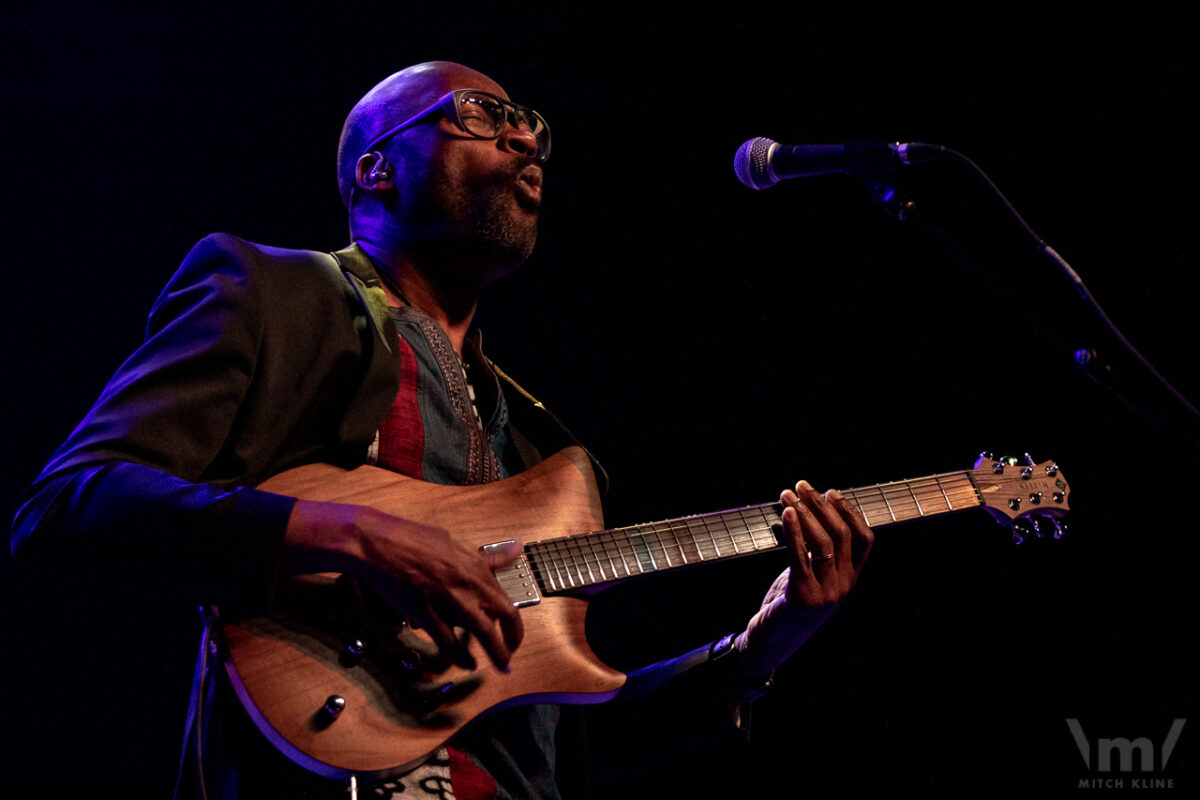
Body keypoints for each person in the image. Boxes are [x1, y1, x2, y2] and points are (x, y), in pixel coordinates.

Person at [10, 61, 874, 798]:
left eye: (529, 124)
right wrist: (360, 538)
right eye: (481, 116)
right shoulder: (271, 293)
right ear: (378, 170)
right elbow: (67, 503)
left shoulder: (548, 452)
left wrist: (762, 646)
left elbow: (566, 743)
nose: (525, 140)